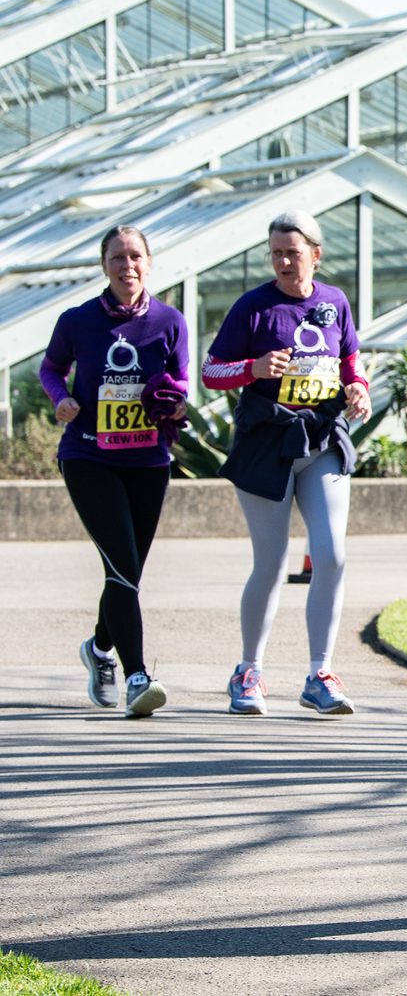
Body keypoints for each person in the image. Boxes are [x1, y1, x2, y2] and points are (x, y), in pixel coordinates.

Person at [201, 210, 371, 716]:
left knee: (332, 554)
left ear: (315, 255)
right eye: (275, 253)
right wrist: (251, 369)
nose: (282, 261)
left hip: (321, 441)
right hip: (265, 445)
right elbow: (211, 370)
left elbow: (349, 361)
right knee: (271, 564)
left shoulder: (335, 302)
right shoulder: (252, 308)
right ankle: (248, 671)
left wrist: (358, 389)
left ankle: (321, 674)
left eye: (292, 253)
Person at [40, 226, 190, 718]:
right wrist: (61, 399)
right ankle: (138, 676)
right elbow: (50, 368)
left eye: (135, 256)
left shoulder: (170, 321)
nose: (128, 265)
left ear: (151, 262)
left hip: (148, 461)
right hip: (89, 457)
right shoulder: (77, 320)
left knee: (127, 571)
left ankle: (99, 648)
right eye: (117, 258)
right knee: (123, 566)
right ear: (104, 265)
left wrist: (171, 401)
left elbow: (182, 382)